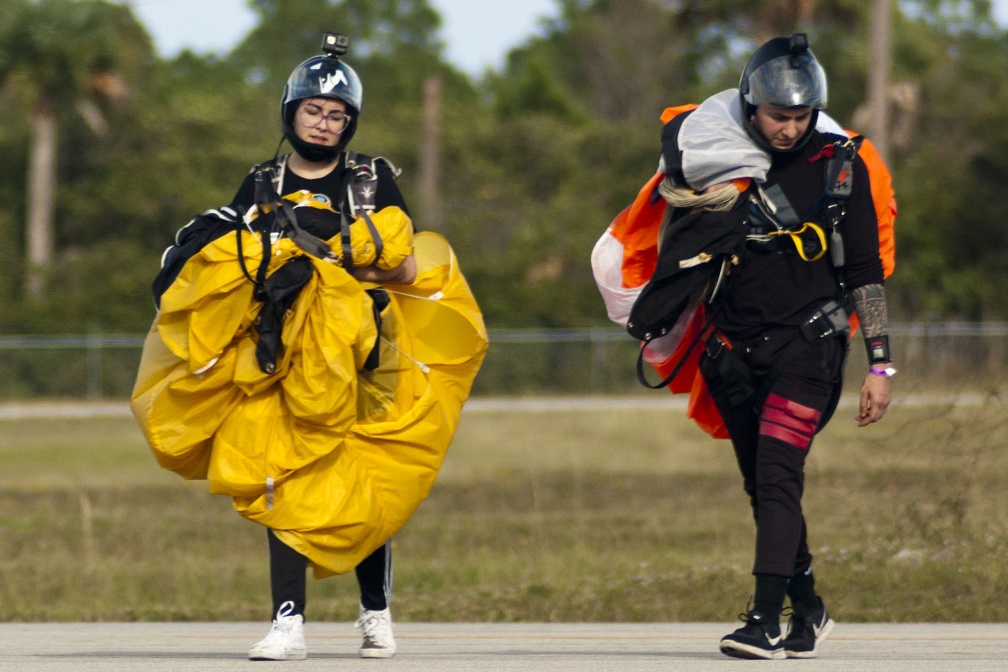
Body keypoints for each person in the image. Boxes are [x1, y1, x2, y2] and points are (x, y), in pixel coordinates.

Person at [132, 31, 486, 665]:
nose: (324, 124)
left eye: (336, 115)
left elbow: (405, 270)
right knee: (281, 480)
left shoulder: (370, 179)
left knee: (358, 480)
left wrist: (334, 270)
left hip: (359, 356)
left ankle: (375, 613)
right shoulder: (261, 181)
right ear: (290, 111)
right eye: (313, 111)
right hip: (277, 356)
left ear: (350, 122)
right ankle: (287, 622)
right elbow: (234, 269)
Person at [658, 34, 894, 659]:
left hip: (807, 352)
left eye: (799, 117)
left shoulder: (843, 165)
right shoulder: (716, 164)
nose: (789, 129)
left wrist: (881, 363)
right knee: (761, 485)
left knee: (778, 474)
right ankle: (809, 607)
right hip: (731, 353)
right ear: (750, 107)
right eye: (777, 117)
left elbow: (866, 271)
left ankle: (764, 621)